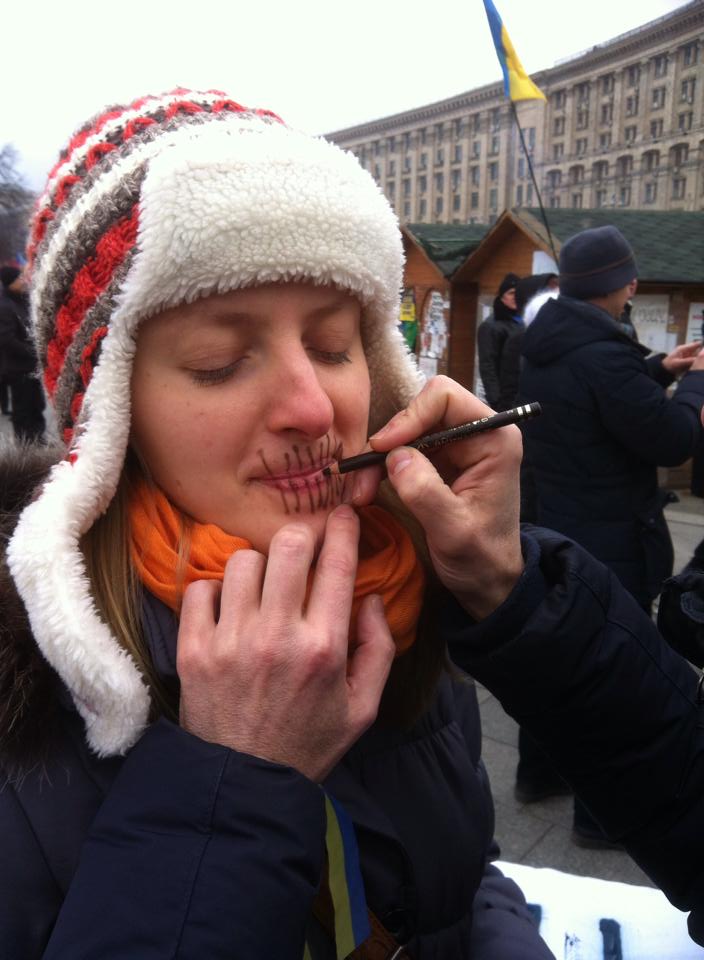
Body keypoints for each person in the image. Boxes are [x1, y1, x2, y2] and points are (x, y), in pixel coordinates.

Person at [0, 90, 554, 960]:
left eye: (335, 346)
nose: (312, 404)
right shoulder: (27, 721)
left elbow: (464, 874)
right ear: (112, 420)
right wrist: (232, 785)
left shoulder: (396, 586)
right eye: (220, 364)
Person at [520, 225, 704, 613]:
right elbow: (675, 440)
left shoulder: (550, 342)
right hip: (612, 551)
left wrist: (663, 369)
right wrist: (698, 382)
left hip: (562, 529)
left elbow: (590, 399)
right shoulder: (605, 357)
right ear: (625, 284)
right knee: (616, 657)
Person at [0, 265, 45, 441]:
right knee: (23, 408)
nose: (23, 280)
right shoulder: (4, 307)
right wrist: (31, 352)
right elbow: (7, 340)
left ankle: (38, 438)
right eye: (18, 278)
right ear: (9, 283)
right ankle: (26, 442)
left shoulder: (22, 300)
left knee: (37, 404)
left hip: (31, 365)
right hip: (18, 368)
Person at [476, 272, 522, 410]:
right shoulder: (491, 326)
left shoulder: (522, 320)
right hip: (504, 398)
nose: (515, 297)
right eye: (511, 293)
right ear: (502, 296)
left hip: (519, 394)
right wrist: (496, 399)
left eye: (518, 293)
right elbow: (487, 364)